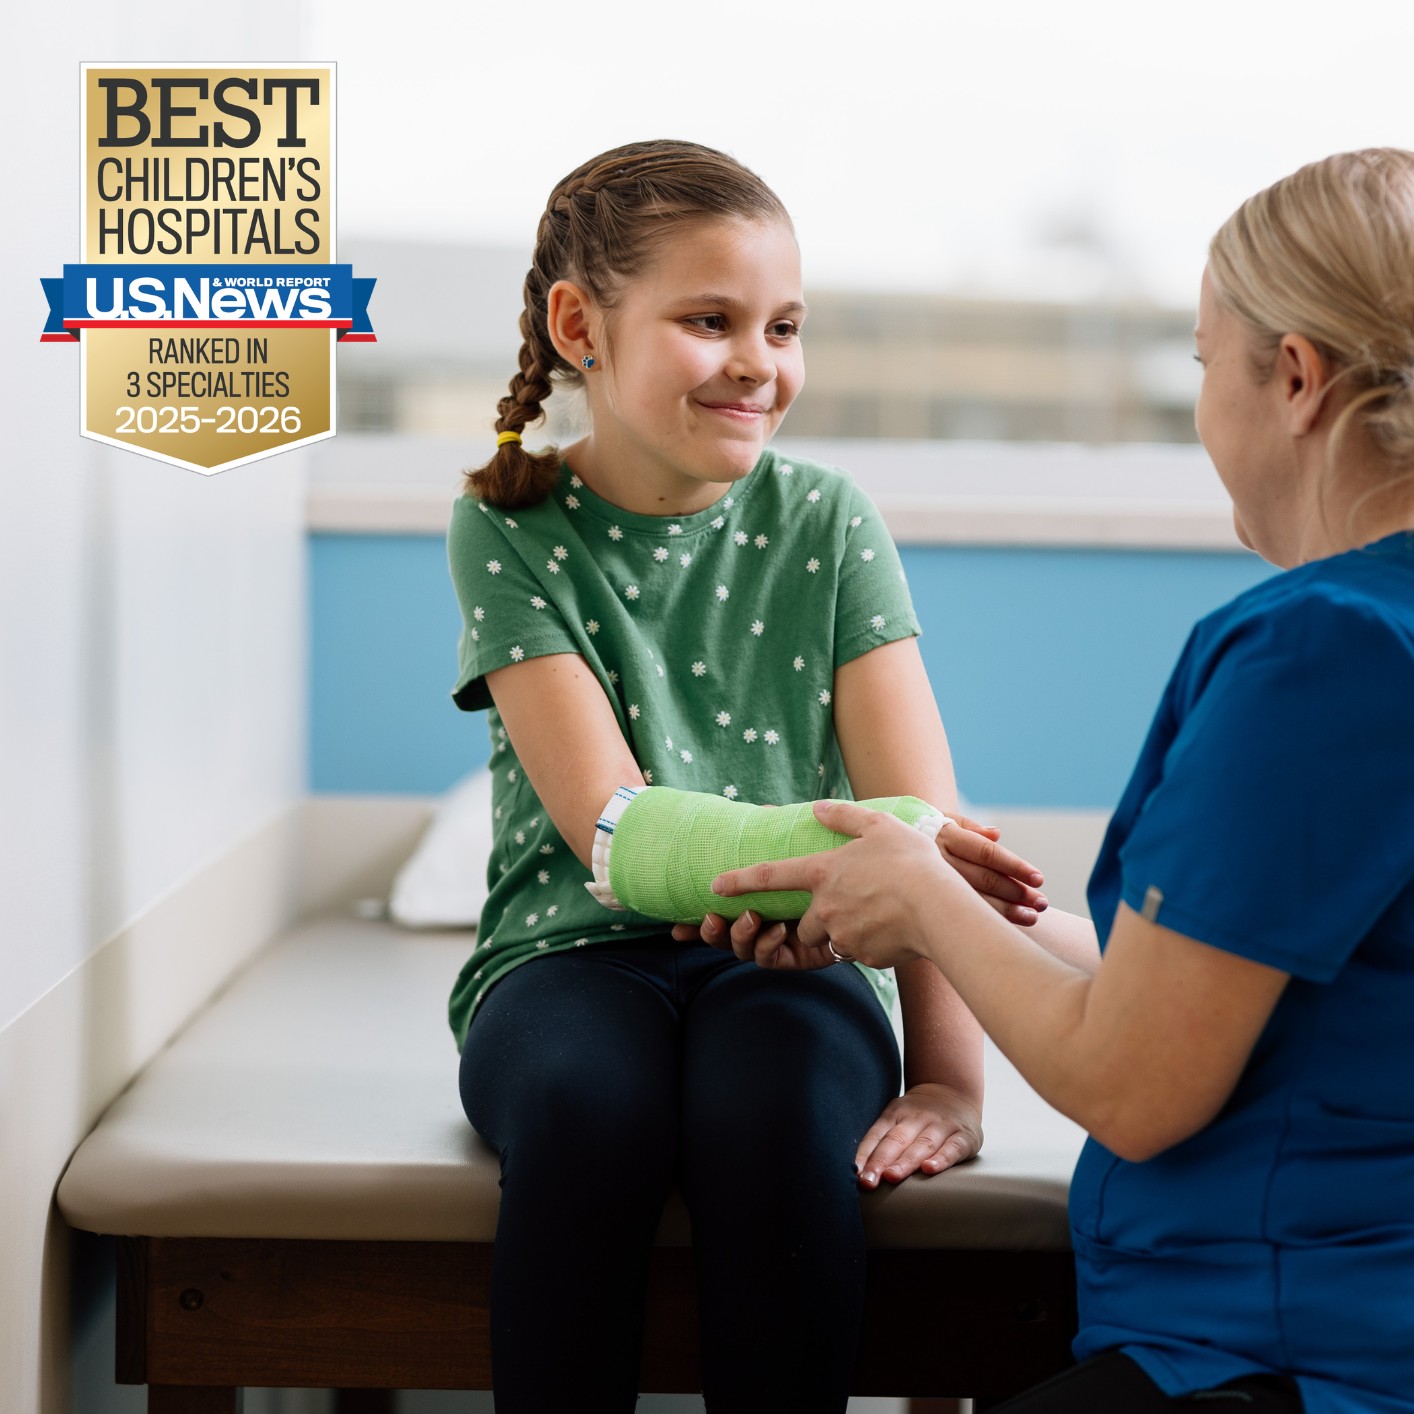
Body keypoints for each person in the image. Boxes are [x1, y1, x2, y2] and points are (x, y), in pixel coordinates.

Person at [709, 147, 1414, 1414]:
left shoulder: (1321, 652)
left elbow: (1134, 1087)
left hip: (1288, 1357)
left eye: (1205, 367)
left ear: (1297, 378)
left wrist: (925, 906)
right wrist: (987, 914)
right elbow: (1298, 981)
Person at [444, 139, 1046, 1413]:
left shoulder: (827, 521)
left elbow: (916, 834)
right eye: (708, 320)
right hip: (567, 956)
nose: (757, 363)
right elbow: (612, 829)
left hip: (805, 963)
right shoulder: (509, 523)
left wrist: (949, 1077)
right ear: (579, 328)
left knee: (775, 1120)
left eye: (783, 326)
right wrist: (902, 847)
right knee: (584, 1108)